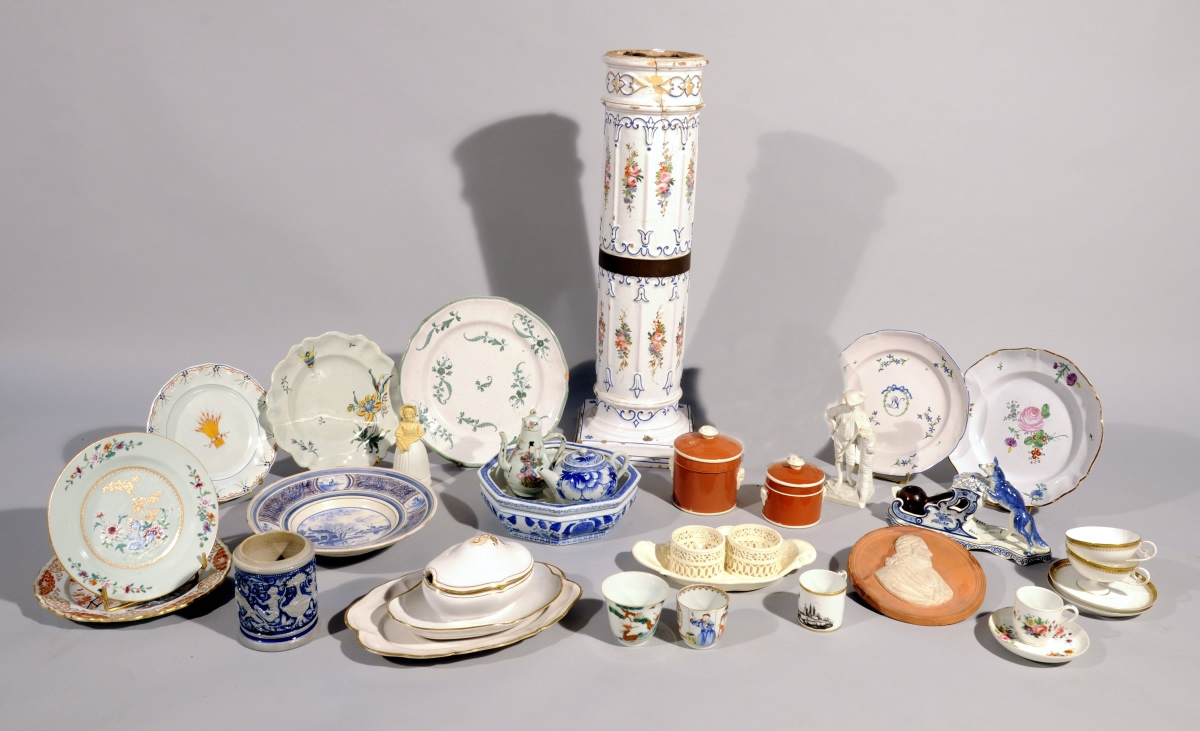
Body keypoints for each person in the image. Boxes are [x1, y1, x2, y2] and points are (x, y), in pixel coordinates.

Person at [824, 390, 876, 508]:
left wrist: (863, 432)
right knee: (838, 459)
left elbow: (867, 428)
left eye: (856, 404)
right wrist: (833, 423)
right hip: (839, 438)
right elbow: (829, 413)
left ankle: (848, 476)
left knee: (851, 462)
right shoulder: (840, 409)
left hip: (850, 442)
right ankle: (840, 479)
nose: (854, 406)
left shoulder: (861, 414)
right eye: (852, 404)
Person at [873, 534, 954, 607]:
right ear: (908, 551)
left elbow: (948, 593)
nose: (930, 553)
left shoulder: (931, 573)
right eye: (924, 549)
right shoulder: (889, 574)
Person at [393, 404, 431, 487]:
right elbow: (399, 434)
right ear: (403, 415)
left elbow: (420, 433)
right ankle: (401, 480)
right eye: (406, 414)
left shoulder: (417, 425)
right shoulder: (402, 424)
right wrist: (401, 440)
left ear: (413, 415)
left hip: (415, 445)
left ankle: (421, 479)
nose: (408, 416)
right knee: (403, 459)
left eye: (410, 414)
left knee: (416, 459)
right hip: (404, 443)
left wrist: (413, 440)